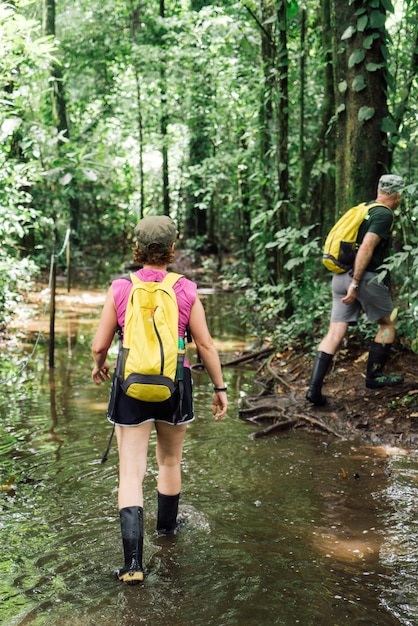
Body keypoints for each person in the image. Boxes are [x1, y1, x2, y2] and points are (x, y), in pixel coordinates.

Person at [91, 215, 228, 584]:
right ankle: (167, 535)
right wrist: (219, 388)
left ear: (136, 247)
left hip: (130, 388)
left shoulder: (120, 288)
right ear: (172, 248)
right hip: (175, 386)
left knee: (130, 471)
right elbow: (206, 344)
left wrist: (100, 365)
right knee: (169, 462)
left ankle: (132, 566)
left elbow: (100, 344)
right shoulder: (185, 289)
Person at [306, 174, 405, 406]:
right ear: (398, 195)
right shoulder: (384, 214)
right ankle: (374, 377)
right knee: (387, 324)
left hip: (340, 276)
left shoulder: (364, 208)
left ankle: (313, 390)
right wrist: (356, 283)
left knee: (334, 332)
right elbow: (367, 247)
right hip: (363, 279)